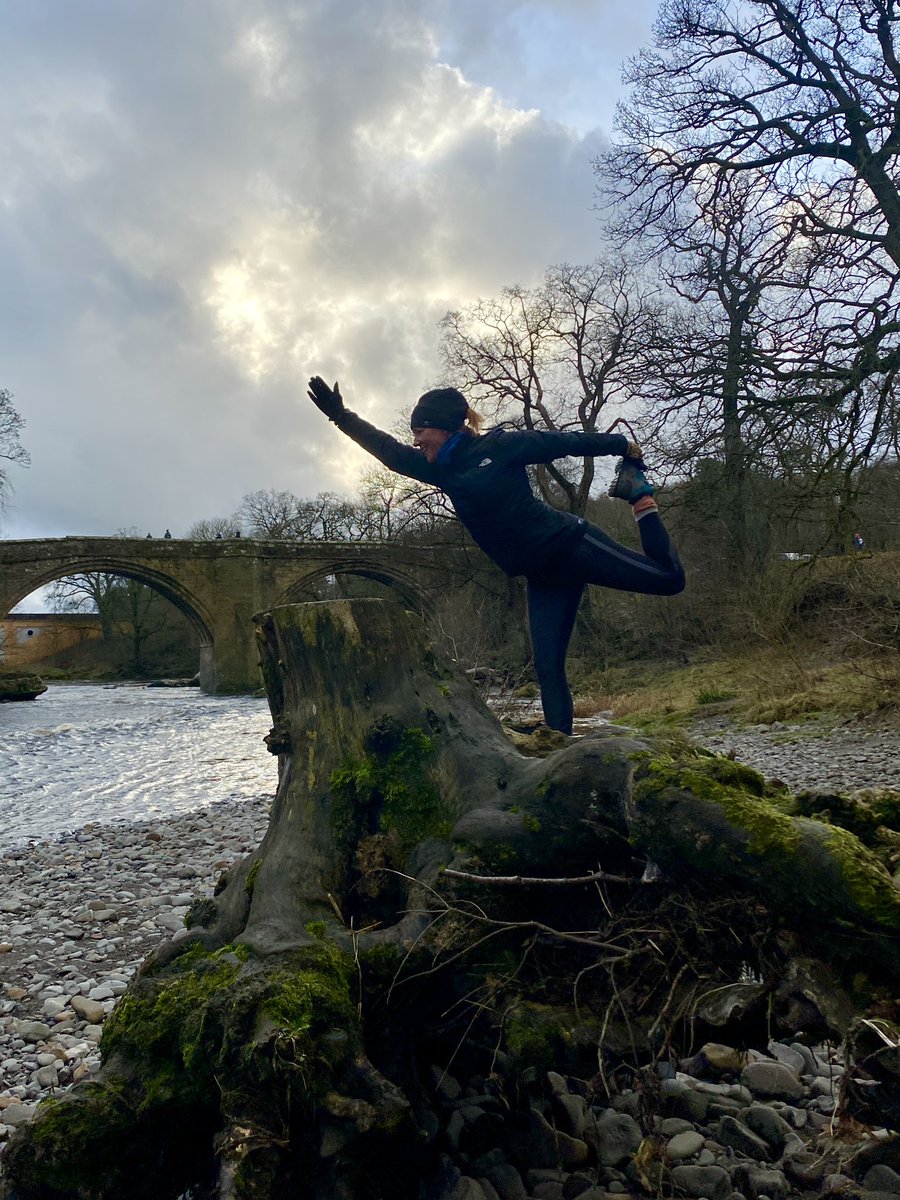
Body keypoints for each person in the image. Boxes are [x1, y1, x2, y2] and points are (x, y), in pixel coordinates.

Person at [308, 376, 685, 734]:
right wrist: (341, 417)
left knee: (669, 581)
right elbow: (389, 452)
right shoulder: (441, 470)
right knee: (548, 668)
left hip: (572, 545)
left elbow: (562, 442)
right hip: (543, 577)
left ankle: (640, 496)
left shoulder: (499, 447)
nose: (416, 439)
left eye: (420, 431)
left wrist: (619, 444)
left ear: (443, 427)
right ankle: (560, 752)